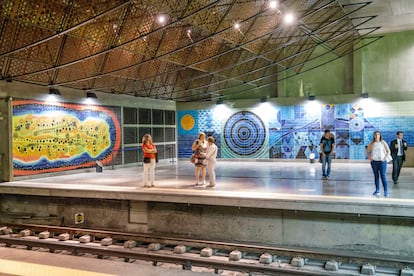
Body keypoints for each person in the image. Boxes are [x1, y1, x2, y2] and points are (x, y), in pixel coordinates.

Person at [366, 131, 391, 197]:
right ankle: (377, 190)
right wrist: (370, 158)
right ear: (374, 136)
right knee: (376, 176)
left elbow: (388, 151)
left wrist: (385, 158)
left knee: (383, 176)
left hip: (382, 162)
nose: (377, 136)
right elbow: (367, 152)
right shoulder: (371, 143)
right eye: (376, 135)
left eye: (378, 134)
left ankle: (386, 191)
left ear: (380, 135)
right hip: (374, 162)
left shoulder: (383, 142)